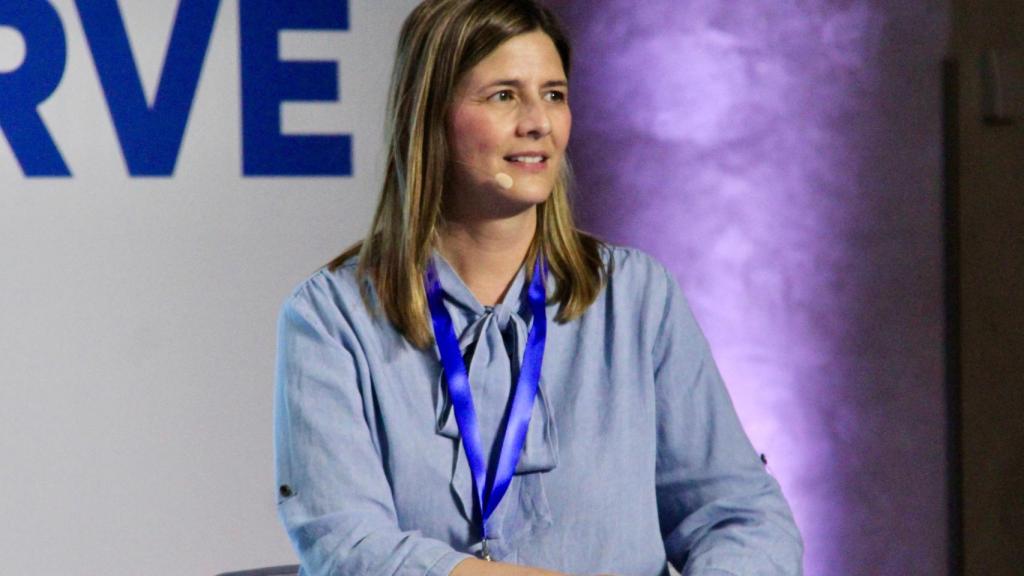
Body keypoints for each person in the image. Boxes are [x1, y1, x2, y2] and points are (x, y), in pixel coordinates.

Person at [273, 0, 804, 574]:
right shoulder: (331, 316)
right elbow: (346, 544)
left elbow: (741, 518)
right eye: (504, 95)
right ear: (429, 115)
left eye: (553, 95)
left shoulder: (636, 296)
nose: (539, 123)